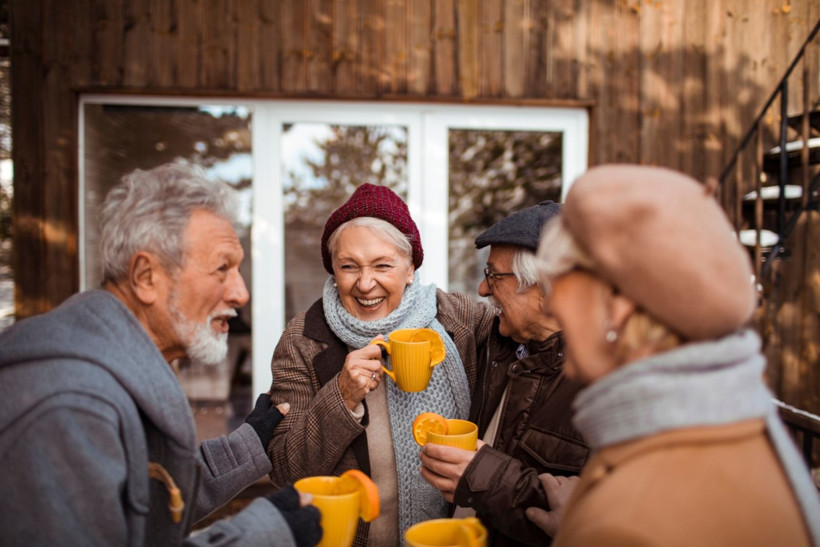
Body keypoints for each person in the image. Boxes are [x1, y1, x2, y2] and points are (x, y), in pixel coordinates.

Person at [0, 163, 321, 547]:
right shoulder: (69, 408)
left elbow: (149, 502)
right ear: (146, 277)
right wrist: (267, 535)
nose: (241, 293)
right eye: (222, 268)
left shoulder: (115, 368)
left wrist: (248, 444)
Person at [532, 164, 820, 545]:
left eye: (555, 284)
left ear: (615, 304)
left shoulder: (626, 523)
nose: (550, 306)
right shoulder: (739, 419)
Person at [267, 183, 497, 545]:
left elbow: (531, 333)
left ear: (410, 268)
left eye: (383, 265)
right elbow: (285, 468)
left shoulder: (459, 319)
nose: (365, 283)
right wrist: (340, 398)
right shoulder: (303, 340)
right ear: (333, 270)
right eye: (349, 266)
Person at [419, 202, 589, 546]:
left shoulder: (609, 386)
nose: (483, 289)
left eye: (494, 275)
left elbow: (600, 519)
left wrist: (484, 477)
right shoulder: (496, 343)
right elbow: (430, 302)